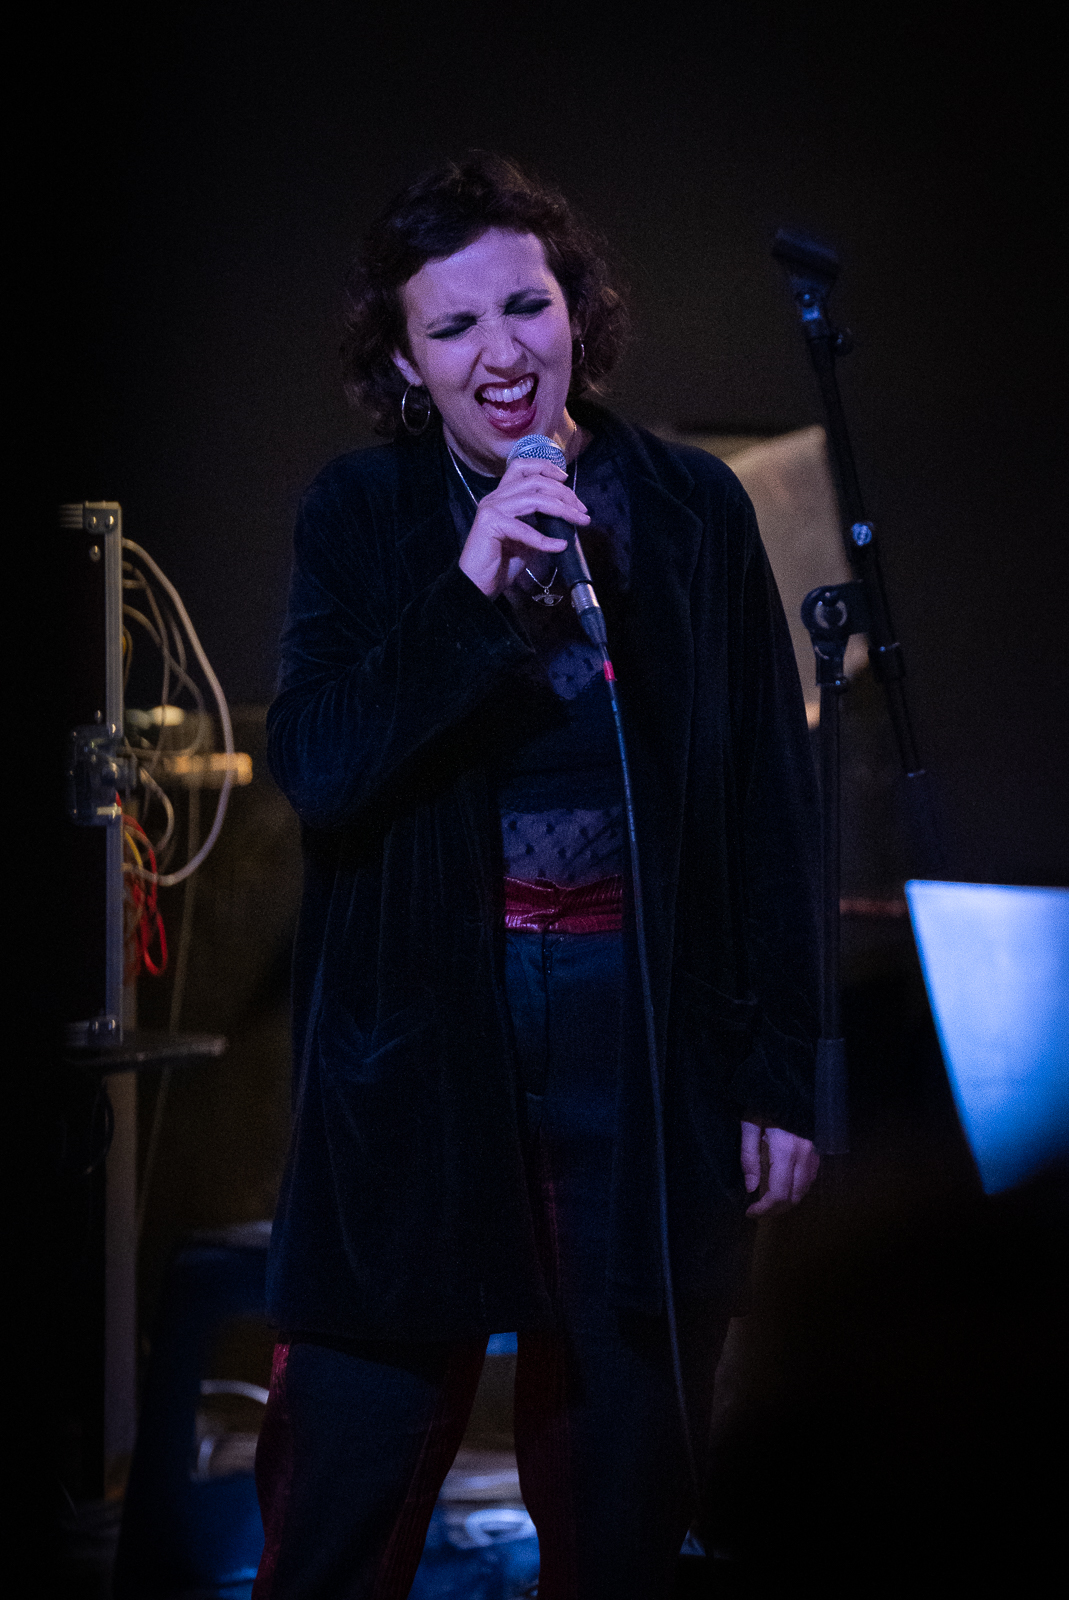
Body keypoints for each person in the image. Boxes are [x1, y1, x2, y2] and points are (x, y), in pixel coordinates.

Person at [254, 152, 821, 1600]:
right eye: (452, 327)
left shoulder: (688, 508)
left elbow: (769, 800)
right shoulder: (362, 514)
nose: (499, 351)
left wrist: (777, 1073)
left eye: (526, 306)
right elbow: (318, 765)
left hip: (640, 1036)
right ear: (403, 361)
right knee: (351, 1468)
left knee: (627, 1471)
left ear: (577, 309)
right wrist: (467, 590)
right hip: (427, 1038)